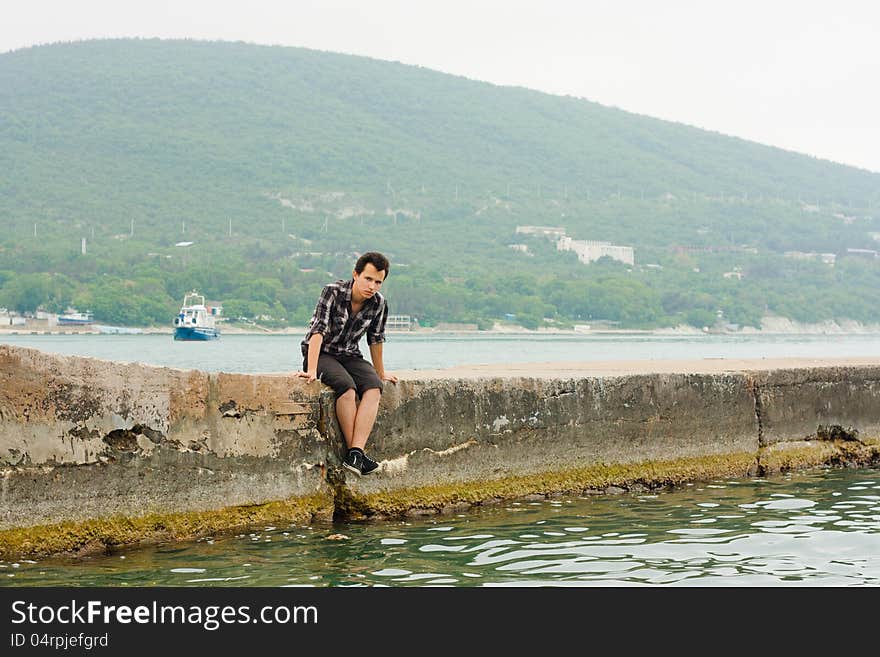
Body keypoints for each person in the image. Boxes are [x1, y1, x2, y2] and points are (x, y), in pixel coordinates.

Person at [296, 251, 398, 476]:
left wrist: (380, 373)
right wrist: (311, 370)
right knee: (347, 387)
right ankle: (358, 456)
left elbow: (376, 339)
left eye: (378, 282)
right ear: (356, 274)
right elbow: (318, 330)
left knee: (373, 387)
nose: (372, 286)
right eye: (368, 279)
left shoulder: (379, 304)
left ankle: (355, 453)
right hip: (322, 353)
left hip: (350, 354)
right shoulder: (332, 292)